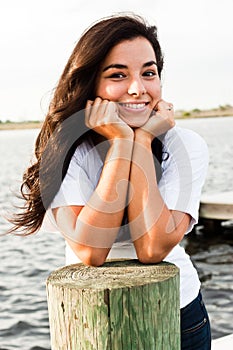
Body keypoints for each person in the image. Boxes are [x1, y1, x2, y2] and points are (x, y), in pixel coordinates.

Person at [9, 13, 211, 349]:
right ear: (92, 85)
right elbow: (91, 249)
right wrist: (120, 142)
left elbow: (152, 248)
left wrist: (143, 141)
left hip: (178, 313)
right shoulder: (64, 151)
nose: (138, 88)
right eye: (118, 75)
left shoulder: (185, 145)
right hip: (91, 320)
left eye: (149, 73)